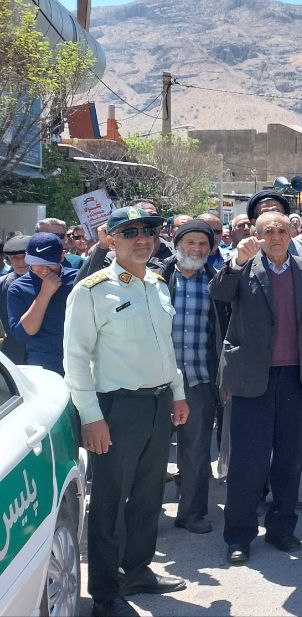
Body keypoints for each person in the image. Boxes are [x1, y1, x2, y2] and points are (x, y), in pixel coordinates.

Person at [63, 206, 190, 617]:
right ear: (111, 239)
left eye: (149, 232)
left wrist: (178, 392)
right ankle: (105, 591)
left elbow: (166, 348)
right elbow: (75, 359)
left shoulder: (157, 283)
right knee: (109, 503)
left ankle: (138, 570)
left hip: (157, 403)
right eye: (130, 232)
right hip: (116, 409)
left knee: (149, 496)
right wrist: (90, 416)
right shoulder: (92, 290)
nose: (142, 239)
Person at [213, 211, 302, 564]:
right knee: (248, 463)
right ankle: (239, 535)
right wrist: (237, 261)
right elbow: (219, 293)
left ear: (293, 232)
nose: (277, 236)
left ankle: (282, 529)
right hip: (253, 379)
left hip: (297, 378)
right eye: (269, 231)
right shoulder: (244, 266)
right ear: (257, 235)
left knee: (289, 460)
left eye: (282, 229)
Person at [162, 219, 229, 535]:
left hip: (199, 381)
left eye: (204, 244)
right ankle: (145, 517)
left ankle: (192, 513)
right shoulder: (157, 279)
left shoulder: (217, 283)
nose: (198, 249)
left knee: (196, 451)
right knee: (151, 454)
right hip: (156, 382)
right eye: (191, 243)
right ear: (177, 245)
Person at [8, 232, 77, 374]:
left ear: (61, 256)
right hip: (45, 366)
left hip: (80, 361)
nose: (44, 270)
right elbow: (24, 334)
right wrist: (45, 294)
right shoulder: (18, 288)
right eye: (38, 264)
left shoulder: (76, 279)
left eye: (49, 264)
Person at [0, 235, 29, 364]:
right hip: (11, 353)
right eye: (14, 258)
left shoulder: (50, 282)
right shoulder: (2, 283)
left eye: (24, 257)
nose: (20, 262)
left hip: (43, 352)